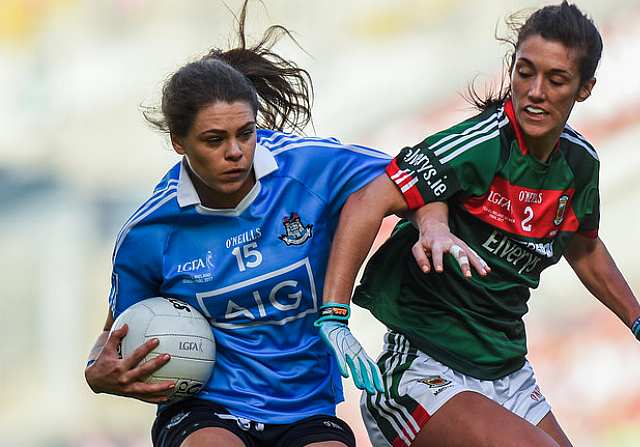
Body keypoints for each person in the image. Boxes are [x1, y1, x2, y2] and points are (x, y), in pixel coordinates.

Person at [319, 2, 640, 446]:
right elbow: (366, 202)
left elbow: (584, 247)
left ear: (585, 89)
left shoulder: (580, 164)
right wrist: (334, 316)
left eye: (556, 79)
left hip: (508, 372)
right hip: (425, 368)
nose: (535, 91)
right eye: (525, 71)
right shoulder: (478, 144)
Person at [82, 2, 484, 445]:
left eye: (246, 133)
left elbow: (417, 178)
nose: (236, 151)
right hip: (206, 410)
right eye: (215, 140)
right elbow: (115, 338)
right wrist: (97, 374)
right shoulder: (149, 233)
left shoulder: (311, 168)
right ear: (179, 141)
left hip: (306, 408)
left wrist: (433, 225)